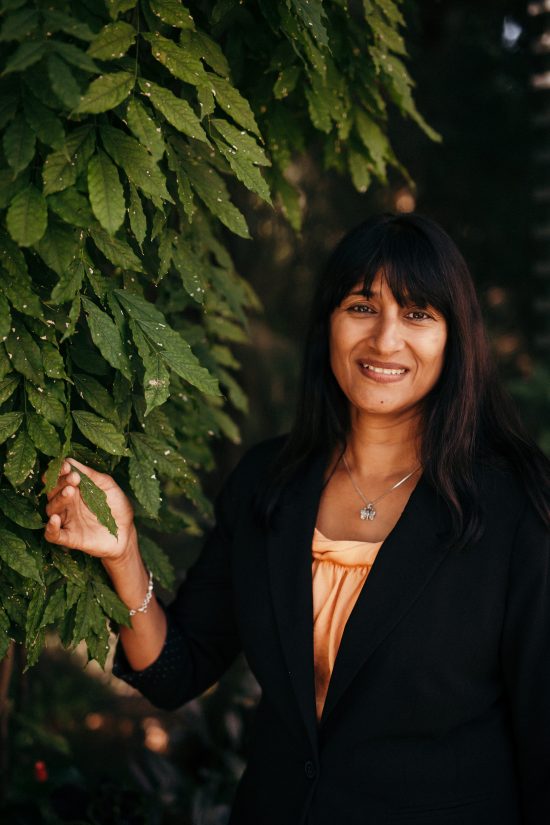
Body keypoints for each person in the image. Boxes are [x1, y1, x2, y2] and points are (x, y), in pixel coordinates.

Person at [43, 213, 550, 825]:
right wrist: (122, 553)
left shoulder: (514, 504)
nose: (386, 340)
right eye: (362, 306)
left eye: (419, 314)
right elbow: (175, 672)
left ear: (455, 338)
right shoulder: (269, 483)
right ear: (328, 325)